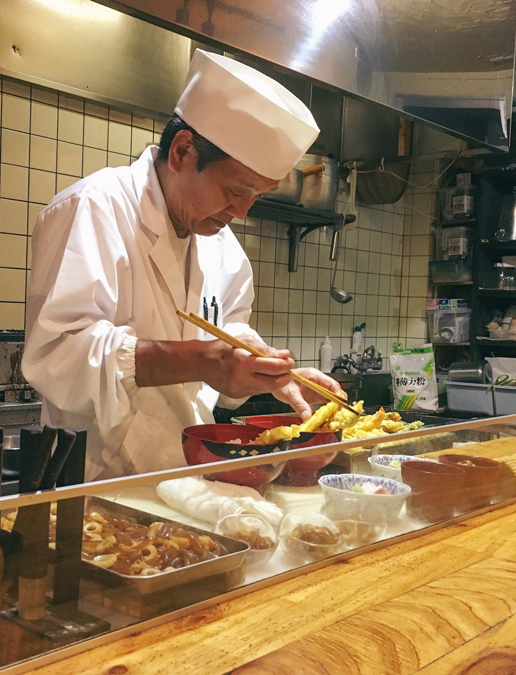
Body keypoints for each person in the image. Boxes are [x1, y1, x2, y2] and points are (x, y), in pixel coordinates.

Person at [22, 49, 344, 481]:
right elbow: (59, 358)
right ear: (182, 151)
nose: (243, 212)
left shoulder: (224, 248)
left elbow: (230, 344)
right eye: (235, 189)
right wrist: (202, 360)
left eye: (257, 196)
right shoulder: (95, 208)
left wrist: (272, 378)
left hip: (189, 481)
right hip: (95, 482)